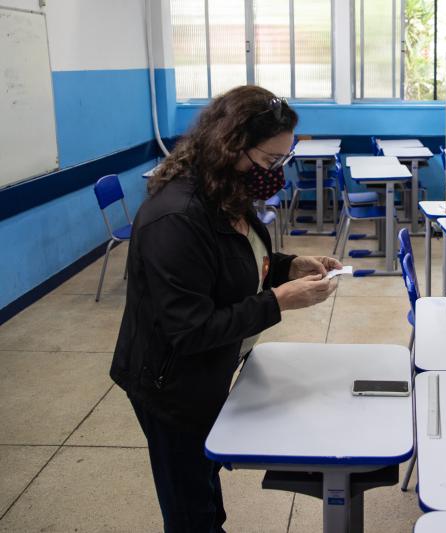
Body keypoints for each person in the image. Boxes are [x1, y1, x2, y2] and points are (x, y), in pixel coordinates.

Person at [110, 86, 340, 532]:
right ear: (231, 145)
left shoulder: (225, 191)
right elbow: (190, 329)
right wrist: (277, 302)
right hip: (170, 385)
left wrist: (287, 267)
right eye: (270, 160)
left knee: (205, 482)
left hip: (210, 369)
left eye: (283, 160)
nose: (275, 173)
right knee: (190, 509)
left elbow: (233, 263)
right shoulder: (176, 219)